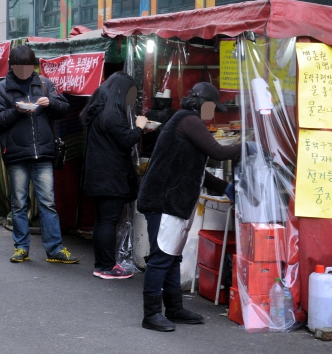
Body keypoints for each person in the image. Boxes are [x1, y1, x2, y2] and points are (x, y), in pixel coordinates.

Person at [137, 82, 240, 332]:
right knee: (162, 258)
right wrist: (249, 146)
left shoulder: (187, 121)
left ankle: (174, 309)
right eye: (212, 108)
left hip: (173, 200)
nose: (213, 113)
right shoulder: (189, 120)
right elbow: (218, 152)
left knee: (172, 257)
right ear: (202, 104)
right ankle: (151, 314)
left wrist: (224, 186)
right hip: (164, 200)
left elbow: (195, 168)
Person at [0, 45, 79, 264]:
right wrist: (16, 111)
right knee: (19, 203)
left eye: (29, 67)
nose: (25, 72)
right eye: (20, 67)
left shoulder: (45, 84)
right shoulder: (1, 89)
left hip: (44, 153)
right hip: (16, 154)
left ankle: (54, 249)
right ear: (12, 66)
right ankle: (21, 248)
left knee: (47, 202)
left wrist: (51, 103)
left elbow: (64, 107)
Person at [81, 72, 148, 279]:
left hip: (98, 173)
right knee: (108, 221)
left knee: (102, 220)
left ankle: (101, 265)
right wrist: (140, 127)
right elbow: (126, 139)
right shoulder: (112, 113)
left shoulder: (97, 109)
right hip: (111, 174)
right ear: (121, 91)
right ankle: (108, 267)